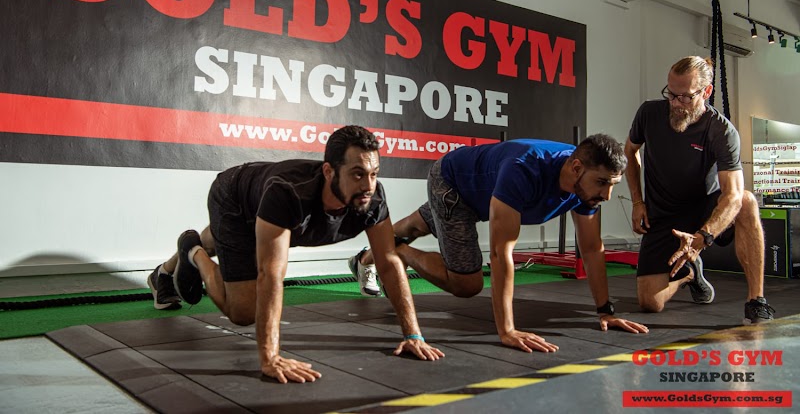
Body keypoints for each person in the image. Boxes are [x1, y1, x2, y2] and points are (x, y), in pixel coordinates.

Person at [148, 125, 444, 384]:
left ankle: (166, 271)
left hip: (263, 208)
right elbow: (270, 274)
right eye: (357, 174)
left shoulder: (372, 198)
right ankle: (193, 250)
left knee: (221, 240)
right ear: (329, 172)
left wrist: (413, 335)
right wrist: (270, 357)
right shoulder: (289, 194)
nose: (368, 185)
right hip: (235, 200)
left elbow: (389, 262)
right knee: (243, 313)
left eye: (373, 174)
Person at [351, 134, 649, 353]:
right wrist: (507, 330)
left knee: (415, 226)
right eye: (602, 183)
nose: (607, 195)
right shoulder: (525, 170)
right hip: (454, 184)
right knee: (466, 283)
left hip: (482, 193)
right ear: (576, 168)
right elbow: (500, 252)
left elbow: (592, 248)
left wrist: (605, 311)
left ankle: (366, 257)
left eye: (613, 185)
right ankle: (398, 252)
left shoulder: (586, 188)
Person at [624, 56, 775, 324]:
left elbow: (732, 195)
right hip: (663, 214)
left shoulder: (721, 131)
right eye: (671, 94)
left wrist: (702, 237)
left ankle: (756, 300)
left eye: (685, 97)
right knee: (650, 303)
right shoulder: (649, 113)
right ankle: (690, 274)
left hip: (705, 210)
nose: (675, 103)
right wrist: (637, 202)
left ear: (706, 92)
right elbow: (630, 151)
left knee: (746, 200)